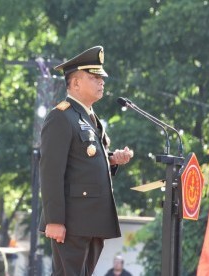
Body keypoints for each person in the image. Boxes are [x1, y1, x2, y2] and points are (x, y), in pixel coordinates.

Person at [39, 46, 134, 275]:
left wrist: (112, 161)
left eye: (101, 78)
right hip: (72, 221)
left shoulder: (90, 118)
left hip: (92, 218)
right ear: (76, 83)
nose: (101, 82)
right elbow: (51, 172)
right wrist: (54, 220)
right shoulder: (61, 117)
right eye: (94, 77)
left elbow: (83, 163)